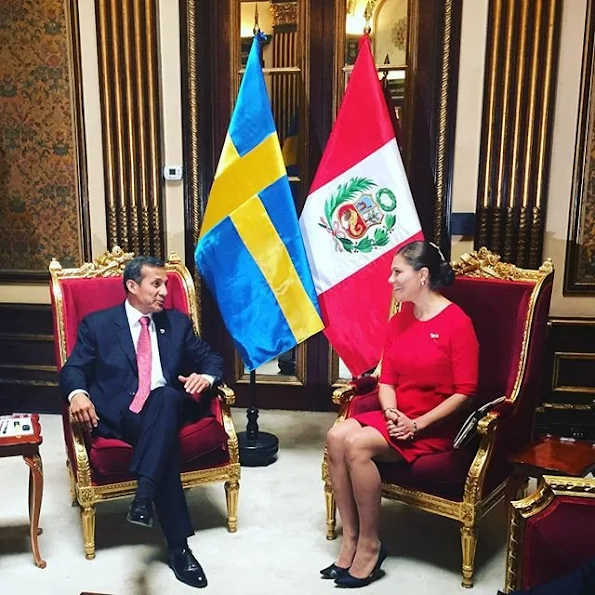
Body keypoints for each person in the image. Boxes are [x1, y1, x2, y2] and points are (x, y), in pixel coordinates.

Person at [59, 255, 224, 589]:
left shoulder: (175, 323)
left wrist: (205, 377)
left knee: (164, 398)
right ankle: (179, 549)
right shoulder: (99, 325)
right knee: (162, 444)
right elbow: (73, 368)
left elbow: (211, 358)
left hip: (169, 406)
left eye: (166, 283)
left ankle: (144, 499)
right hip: (124, 415)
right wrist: (77, 394)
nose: (165, 291)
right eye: (156, 284)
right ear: (132, 287)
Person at [321, 240, 479, 588]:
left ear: (423, 276)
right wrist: (391, 411)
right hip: (397, 413)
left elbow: (465, 392)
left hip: (432, 424)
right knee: (335, 436)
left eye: (397, 272)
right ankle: (350, 538)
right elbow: (387, 378)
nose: (390, 280)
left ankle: (370, 544)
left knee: (357, 445)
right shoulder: (399, 319)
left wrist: (416, 423)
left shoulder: (457, 323)